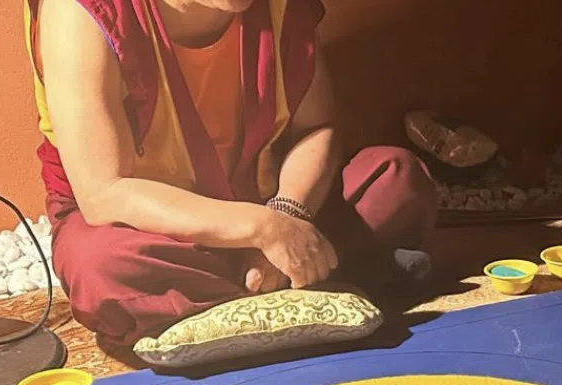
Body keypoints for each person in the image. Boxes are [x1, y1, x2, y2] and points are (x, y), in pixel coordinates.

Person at [27, 0, 438, 347]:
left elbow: (316, 128)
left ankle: (238, 292)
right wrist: (261, 230)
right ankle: (322, 275)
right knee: (101, 269)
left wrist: (288, 215)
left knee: (396, 181)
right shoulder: (81, 11)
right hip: (150, 226)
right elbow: (105, 193)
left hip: (272, 200)